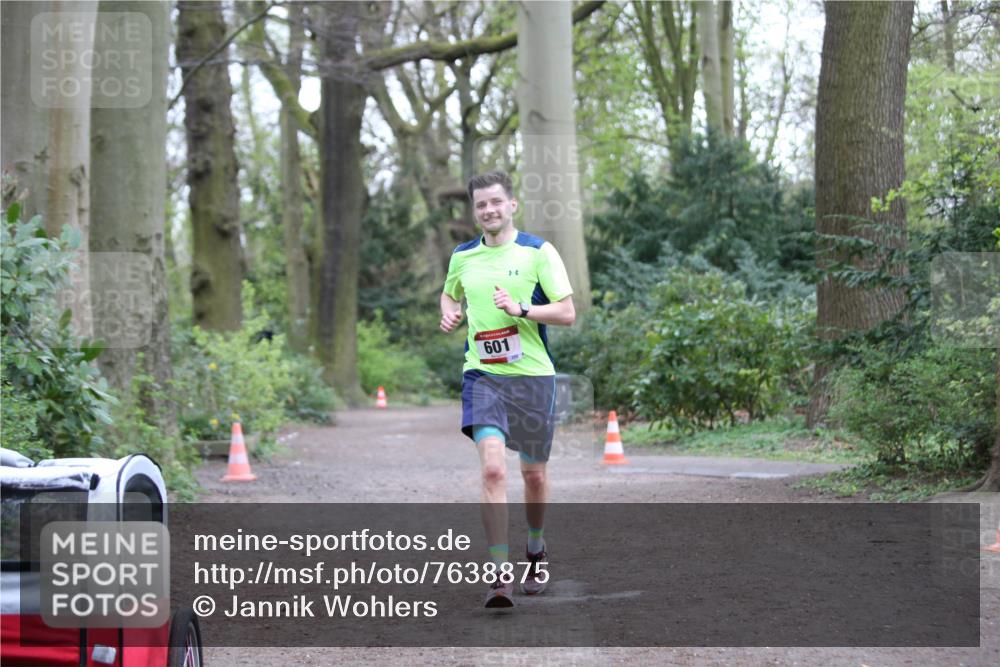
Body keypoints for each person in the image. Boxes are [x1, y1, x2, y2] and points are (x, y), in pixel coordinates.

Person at [439, 170, 576, 608]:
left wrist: (522, 309)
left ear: (512, 204)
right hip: (483, 375)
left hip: (533, 376)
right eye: (481, 205)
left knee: (533, 475)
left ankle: (535, 549)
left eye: (496, 202)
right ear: (474, 211)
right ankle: (499, 573)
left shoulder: (538, 252)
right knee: (494, 470)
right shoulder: (462, 256)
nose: (489, 210)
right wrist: (450, 312)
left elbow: (568, 312)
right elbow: (449, 294)